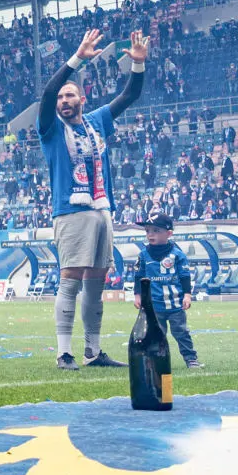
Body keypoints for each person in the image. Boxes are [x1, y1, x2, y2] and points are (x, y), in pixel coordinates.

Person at [39, 27, 148, 370]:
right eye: (61, 98)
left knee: (96, 284)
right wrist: (75, 60)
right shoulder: (51, 128)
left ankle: (93, 351)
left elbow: (129, 96)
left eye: (70, 96)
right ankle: (63, 352)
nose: (64, 101)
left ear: (82, 100)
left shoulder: (97, 120)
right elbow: (47, 91)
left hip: (102, 210)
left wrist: (139, 64)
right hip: (71, 211)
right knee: (70, 279)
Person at [134, 208, 201, 368]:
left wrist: (187, 295)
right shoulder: (143, 255)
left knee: (181, 333)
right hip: (154, 305)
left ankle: (191, 358)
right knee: (156, 335)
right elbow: (138, 276)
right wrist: (137, 295)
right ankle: (156, 361)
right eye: (148, 230)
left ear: (169, 234)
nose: (150, 234)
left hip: (175, 305)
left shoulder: (177, 255)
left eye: (156, 231)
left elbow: (185, 276)